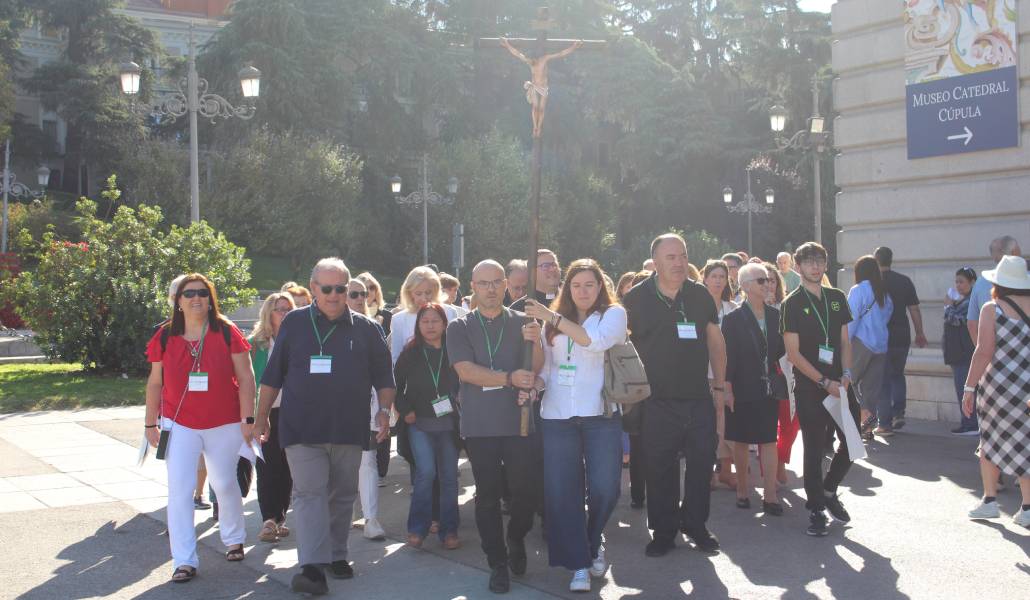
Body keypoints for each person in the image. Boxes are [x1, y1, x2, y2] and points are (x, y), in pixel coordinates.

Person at [255, 258, 395, 595]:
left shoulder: (366, 327)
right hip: (301, 427)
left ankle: (336, 554)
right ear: (313, 288)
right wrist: (260, 417)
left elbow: (383, 377)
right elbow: (273, 376)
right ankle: (312, 568)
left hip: (348, 427)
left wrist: (385, 411)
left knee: (342, 495)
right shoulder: (294, 324)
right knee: (309, 493)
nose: (334, 295)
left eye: (341, 288)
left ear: (349, 289)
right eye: (326, 288)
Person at [521, 259, 626, 592]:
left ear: (600, 287)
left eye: (589, 285)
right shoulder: (551, 321)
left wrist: (551, 317)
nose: (582, 291)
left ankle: (593, 541)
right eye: (576, 285)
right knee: (563, 492)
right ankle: (579, 562)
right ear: (568, 288)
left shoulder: (613, 315)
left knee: (606, 488)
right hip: (556, 416)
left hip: (601, 415)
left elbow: (592, 341)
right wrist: (534, 385)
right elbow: (549, 369)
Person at [143, 274, 256, 583]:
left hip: (225, 422)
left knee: (223, 483)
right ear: (177, 301)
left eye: (203, 293)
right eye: (189, 293)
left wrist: (249, 419)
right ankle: (184, 560)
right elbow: (155, 382)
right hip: (179, 425)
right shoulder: (165, 337)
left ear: (211, 298)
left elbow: (246, 378)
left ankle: (233, 538)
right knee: (179, 491)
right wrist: (150, 422)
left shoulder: (226, 331)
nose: (197, 298)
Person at [623, 233, 726, 557]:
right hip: (655, 400)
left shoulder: (700, 295)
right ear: (655, 263)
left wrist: (720, 386)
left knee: (701, 463)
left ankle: (695, 524)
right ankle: (664, 531)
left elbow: (715, 342)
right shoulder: (635, 298)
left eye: (682, 255)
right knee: (660, 467)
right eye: (671, 257)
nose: (679, 262)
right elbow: (619, 346)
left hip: (697, 396)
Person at [446, 259, 542, 594]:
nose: (490, 289)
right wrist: (509, 379)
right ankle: (497, 561)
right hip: (480, 424)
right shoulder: (459, 327)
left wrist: (537, 342)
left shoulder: (523, 321)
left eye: (496, 282)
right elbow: (466, 371)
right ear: (472, 285)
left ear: (505, 285)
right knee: (487, 496)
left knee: (525, 492)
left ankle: (516, 538)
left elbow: (535, 368)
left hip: (520, 422)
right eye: (483, 282)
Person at [780, 242, 857, 537]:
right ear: (798, 267)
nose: (816, 266)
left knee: (851, 440)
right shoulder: (792, 303)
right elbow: (793, 354)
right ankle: (815, 509)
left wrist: (847, 375)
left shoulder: (837, 297)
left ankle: (828, 490)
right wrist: (825, 382)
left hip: (841, 382)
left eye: (820, 261)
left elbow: (845, 342)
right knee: (813, 448)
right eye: (809, 262)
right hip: (812, 387)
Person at [962, 255, 1030, 528]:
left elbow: (984, 351)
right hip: (1026, 389)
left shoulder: (992, 309)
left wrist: (969, 387)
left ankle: (990, 501)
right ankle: (1027, 507)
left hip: (998, 389)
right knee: (1027, 444)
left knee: (989, 441)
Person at [395, 302, 462, 549]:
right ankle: (417, 528)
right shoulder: (410, 352)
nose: (430, 326)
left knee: (449, 478)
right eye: (425, 321)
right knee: (425, 473)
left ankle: (449, 530)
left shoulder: (455, 350)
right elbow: (397, 386)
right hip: (419, 424)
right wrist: (405, 411)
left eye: (435, 321)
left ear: (445, 324)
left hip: (449, 425)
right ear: (418, 325)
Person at [722, 263, 786, 515]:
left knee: (769, 440)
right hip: (741, 387)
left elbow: (782, 353)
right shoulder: (733, 319)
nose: (768, 284)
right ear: (746, 287)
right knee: (740, 440)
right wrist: (727, 388)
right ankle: (742, 490)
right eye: (761, 280)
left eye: (769, 280)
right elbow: (728, 357)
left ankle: (770, 495)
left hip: (768, 387)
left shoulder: (776, 316)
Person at [250, 292, 296, 543]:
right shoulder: (256, 344)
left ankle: (279, 518)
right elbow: (247, 382)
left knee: (288, 467)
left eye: (289, 309)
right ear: (269, 313)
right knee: (267, 466)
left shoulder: (297, 340)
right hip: (264, 412)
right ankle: (268, 519)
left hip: (292, 412)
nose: (285, 314)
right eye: (280, 309)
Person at [344, 278, 388, 541]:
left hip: (367, 405)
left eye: (363, 294)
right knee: (338, 465)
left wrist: (384, 408)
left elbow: (383, 371)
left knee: (367, 461)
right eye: (353, 294)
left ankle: (371, 518)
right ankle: (344, 514)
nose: (360, 298)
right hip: (335, 408)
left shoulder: (373, 328)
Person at [874, 246, 927, 432]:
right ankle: (899, 412)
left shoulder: (873, 283)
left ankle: (885, 422)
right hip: (902, 334)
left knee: (883, 379)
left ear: (876, 259)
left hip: (880, 336)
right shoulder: (904, 281)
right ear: (891, 259)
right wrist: (920, 332)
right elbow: (914, 309)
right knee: (897, 374)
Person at [846, 256, 893, 439]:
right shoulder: (884, 293)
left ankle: (852, 422)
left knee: (847, 382)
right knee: (871, 389)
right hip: (881, 345)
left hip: (860, 342)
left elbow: (851, 318)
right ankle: (867, 427)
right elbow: (887, 317)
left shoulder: (858, 290)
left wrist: (844, 342)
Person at [701, 259, 738, 490]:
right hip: (700, 373)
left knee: (725, 422)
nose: (717, 281)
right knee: (705, 424)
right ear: (704, 278)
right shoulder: (696, 305)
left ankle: (725, 470)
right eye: (713, 276)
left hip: (726, 374)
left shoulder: (733, 309)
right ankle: (707, 471)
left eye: (721, 277)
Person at [356, 271, 394, 483]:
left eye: (369, 289)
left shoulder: (385, 317)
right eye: (359, 290)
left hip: (379, 381)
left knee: (381, 423)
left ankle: (381, 468)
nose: (364, 294)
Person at [967, 236, 1023, 342]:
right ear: (1015, 252)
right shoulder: (1026, 279)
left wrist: (982, 351)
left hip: (993, 352)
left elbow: (972, 324)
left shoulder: (980, 282)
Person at [944, 267, 979, 435]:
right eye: (956, 281)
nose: (958, 285)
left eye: (962, 282)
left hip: (964, 353)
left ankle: (970, 423)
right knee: (962, 389)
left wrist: (948, 307)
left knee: (965, 388)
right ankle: (968, 421)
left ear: (972, 282)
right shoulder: (963, 300)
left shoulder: (970, 301)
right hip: (959, 352)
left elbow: (958, 321)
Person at [356, 272, 392, 338]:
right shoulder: (350, 316)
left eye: (372, 287)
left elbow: (389, 346)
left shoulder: (388, 316)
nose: (368, 291)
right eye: (365, 288)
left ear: (376, 291)